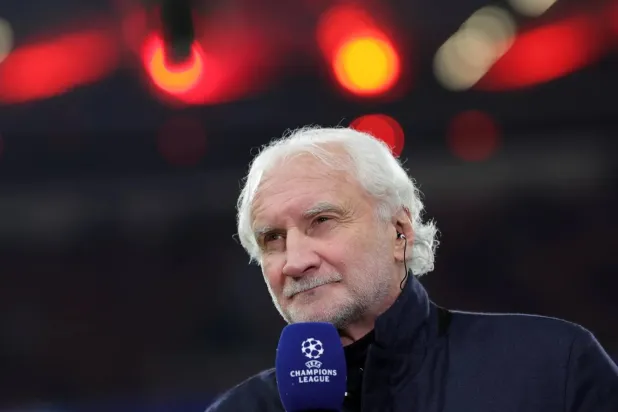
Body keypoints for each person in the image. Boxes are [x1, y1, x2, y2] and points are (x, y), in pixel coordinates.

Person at [206, 126, 618, 412]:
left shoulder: (550, 366)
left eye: (322, 221)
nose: (295, 261)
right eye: (272, 239)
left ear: (399, 232)